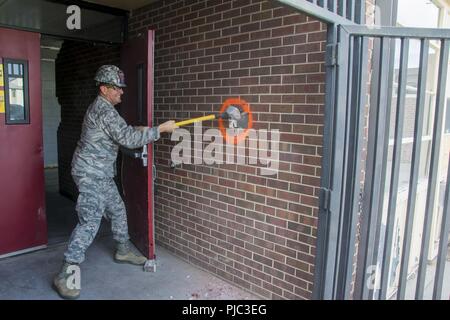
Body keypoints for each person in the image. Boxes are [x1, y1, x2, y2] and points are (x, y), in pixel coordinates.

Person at [53, 65, 178, 299]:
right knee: (90, 222)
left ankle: (122, 250)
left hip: (100, 173)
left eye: (122, 88)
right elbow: (128, 139)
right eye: (117, 88)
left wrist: (144, 129)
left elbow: (121, 132)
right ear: (104, 89)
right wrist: (160, 129)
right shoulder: (105, 111)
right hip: (90, 174)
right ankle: (65, 273)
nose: (121, 92)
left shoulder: (104, 108)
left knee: (118, 209)